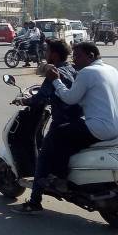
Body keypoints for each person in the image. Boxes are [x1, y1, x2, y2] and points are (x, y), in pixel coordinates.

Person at [40, 43, 118, 204]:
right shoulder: (111, 70)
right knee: (71, 138)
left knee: (57, 133)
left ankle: (59, 179)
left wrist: (56, 81)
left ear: (91, 56)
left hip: (100, 127)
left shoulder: (87, 72)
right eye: (73, 56)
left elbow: (69, 98)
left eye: (78, 56)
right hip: (114, 126)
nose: (75, 60)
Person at [12, 40, 81, 214]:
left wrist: (23, 100)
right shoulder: (73, 69)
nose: (44, 53)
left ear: (54, 55)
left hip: (62, 123)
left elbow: (40, 98)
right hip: (80, 121)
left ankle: (34, 203)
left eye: (47, 51)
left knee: (42, 159)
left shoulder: (53, 72)